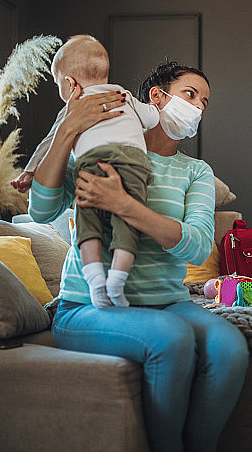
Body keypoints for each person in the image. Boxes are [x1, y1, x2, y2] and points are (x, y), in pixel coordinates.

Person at [28, 60, 248, 452]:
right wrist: (67, 129)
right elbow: (41, 212)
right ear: (156, 98)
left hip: (168, 302)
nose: (198, 107)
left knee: (230, 349)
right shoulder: (96, 150)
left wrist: (123, 205)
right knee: (172, 339)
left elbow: (196, 243)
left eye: (205, 102)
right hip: (86, 307)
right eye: (190, 95)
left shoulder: (195, 171)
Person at [40, 35, 163, 308]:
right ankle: (118, 281)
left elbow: (49, 142)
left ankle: (95, 281)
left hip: (92, 160)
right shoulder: (124, 96)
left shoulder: (72, 108)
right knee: (128, 217)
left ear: (70, 83)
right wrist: (151, 110)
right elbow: (153, 118)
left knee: (88, 218)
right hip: (133, 161)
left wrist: (29, 172)